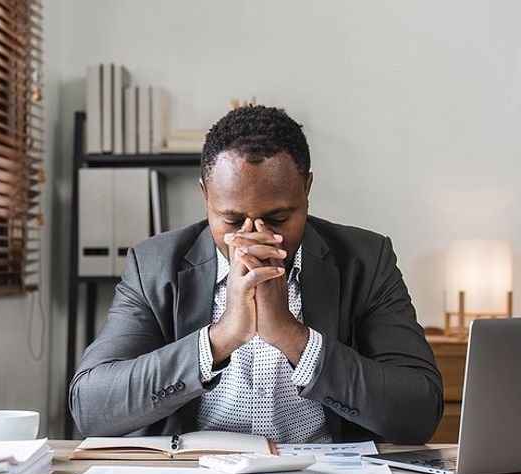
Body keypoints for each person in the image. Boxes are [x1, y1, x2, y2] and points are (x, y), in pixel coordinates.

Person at [69, 106, 443, 444]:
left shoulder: (366, 259)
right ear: (205, 196)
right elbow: (91, 407)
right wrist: (221, 337)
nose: (254, 236)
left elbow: (420, 412)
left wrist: (291, 335)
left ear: (307, 189)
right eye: (231, 220)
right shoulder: (153, 265)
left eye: (279, 219)